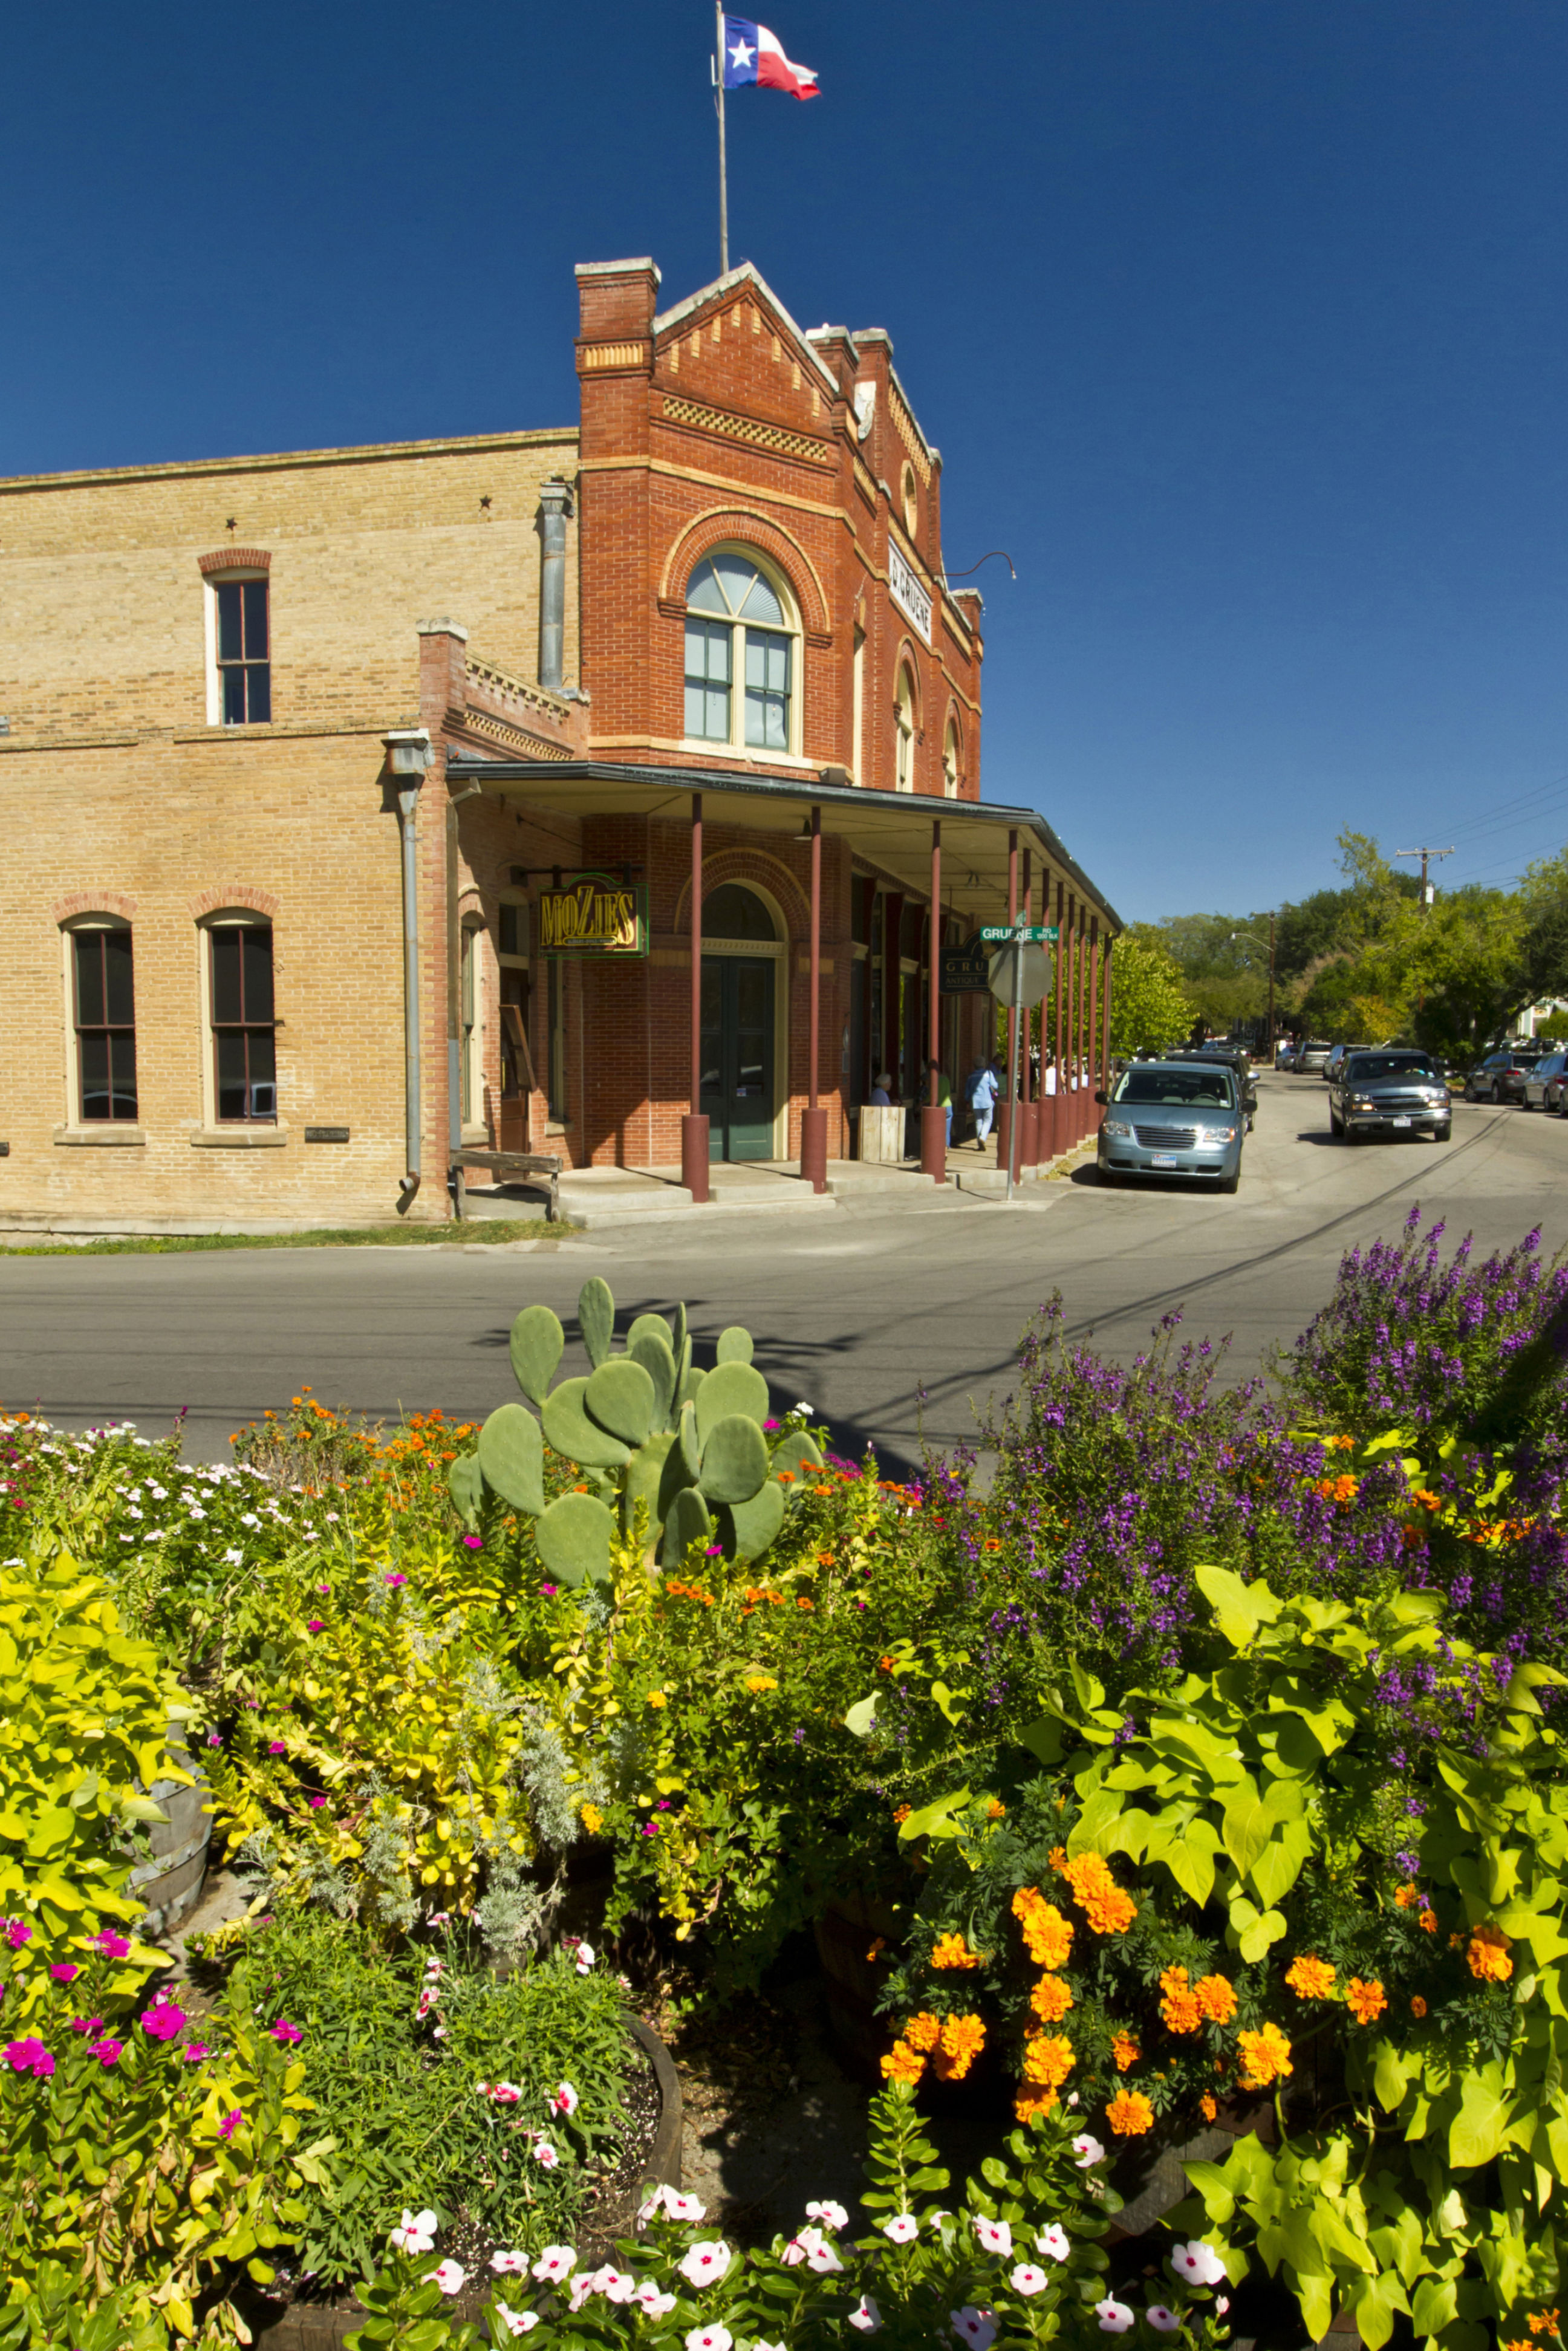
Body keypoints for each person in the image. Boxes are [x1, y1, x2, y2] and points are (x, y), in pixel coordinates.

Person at [966, 1055, 1000, 1148]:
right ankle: (983, 1137)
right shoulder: (988, 1074)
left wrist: (967, 1101)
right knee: (988, 1120)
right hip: (987, 1100)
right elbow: (995, 1086)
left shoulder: (971, 1076)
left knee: (978, 1121)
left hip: (976, 1101)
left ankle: (979, 1141)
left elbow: (967, 1091)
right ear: (984, 1065)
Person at [926, 1058, 953, 1149]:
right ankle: (946, 1146)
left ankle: (939, 1147)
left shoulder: (934, 1080)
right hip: (948, 1105)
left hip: (940, 1107)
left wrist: (922, 1102)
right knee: (947, 1129)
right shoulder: (946, 1079)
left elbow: (932, 1095)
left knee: (937, 1129)